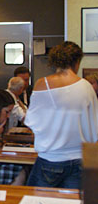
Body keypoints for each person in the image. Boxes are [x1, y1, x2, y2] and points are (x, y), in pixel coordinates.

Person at [26, 41, 98, 188]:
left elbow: (32, 122)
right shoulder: (87, 86)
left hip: (51, 158)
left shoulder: (43, 84)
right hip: (80, 159)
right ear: (77, 61)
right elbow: (94, 130)